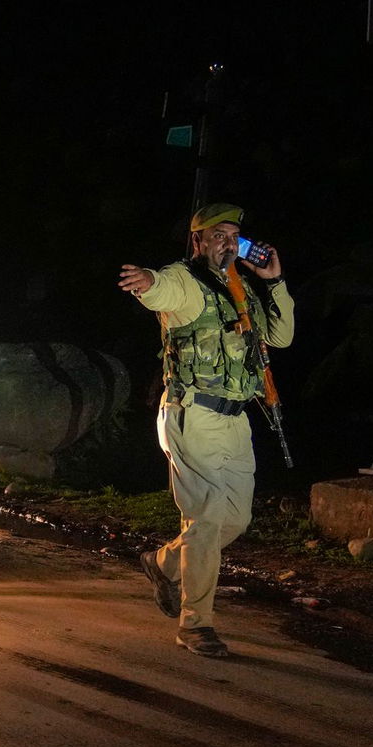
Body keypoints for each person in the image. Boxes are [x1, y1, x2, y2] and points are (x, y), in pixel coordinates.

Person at [117, 202, 294, 658]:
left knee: (235, 519)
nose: (227, 242)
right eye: (217, 235)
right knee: (208, 519)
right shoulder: (186, 281)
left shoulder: (240, 288)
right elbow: (163, 291)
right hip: (191, 416)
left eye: (233, 235)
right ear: (197, 241)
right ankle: (196, 624)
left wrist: (273, 281)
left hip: (236, 421)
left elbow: (282, 336)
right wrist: (149, 283)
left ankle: (162, 563)